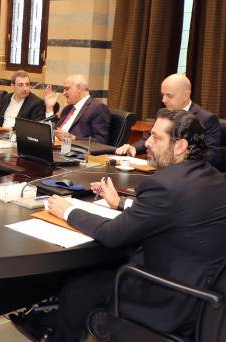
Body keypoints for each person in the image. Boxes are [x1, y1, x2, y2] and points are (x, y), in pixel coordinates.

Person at [40, 110, 226, 342]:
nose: (147, 143)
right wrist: (120, 203)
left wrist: (67, 211)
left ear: (180, 146)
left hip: (167, 299)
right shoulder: (213, 177)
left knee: (78, 288)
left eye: (156, 138)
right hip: (203, 300)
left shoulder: (164, 185)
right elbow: (174, 213)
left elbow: (111, 234)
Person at [116, 73, 221, 168]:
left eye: (169, 95)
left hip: (188, 174)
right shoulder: (163, 113)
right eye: (163, 95)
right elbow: (150, 138)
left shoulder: (206, 119)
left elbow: (212, 157)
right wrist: (134, 148)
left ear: (186, 95)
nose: (163, 100)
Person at [44, 74, 110, 144]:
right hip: (54, 146)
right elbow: (54, 131)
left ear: (79, 88)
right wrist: (49, 108)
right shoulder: (67, 109)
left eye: (67, 89)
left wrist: (73, 138)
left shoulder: (98, 108)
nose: (64, 93)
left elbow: (101, 141)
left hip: (72, 149)